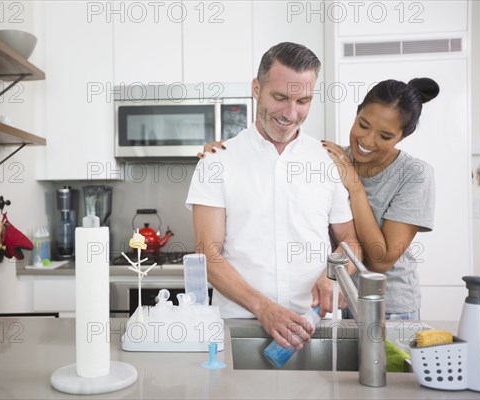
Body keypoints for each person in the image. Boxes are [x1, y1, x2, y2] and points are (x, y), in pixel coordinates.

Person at [201, 78, 439, 321]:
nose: (367, 140)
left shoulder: (414, 175)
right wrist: (225, 153)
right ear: (356, 113)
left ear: (402, 136)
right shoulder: (330, 158)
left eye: (385, 136)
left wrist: (354, 186)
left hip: (388, 307)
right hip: (330, 302)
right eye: (363, 125)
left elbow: (380, 260)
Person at [185, 42, 362, 350]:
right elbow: (207, 257)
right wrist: (263, 308)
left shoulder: (326, 161)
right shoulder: (217, 162)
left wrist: (335, 276)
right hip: (240, 328)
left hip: (316, 326)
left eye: (303, 100)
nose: (291, 114)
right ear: (257, 88)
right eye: (280, 98)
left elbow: (351, 242)